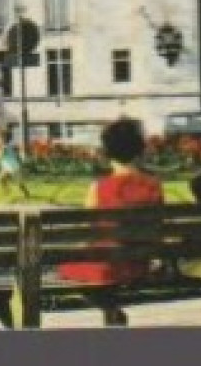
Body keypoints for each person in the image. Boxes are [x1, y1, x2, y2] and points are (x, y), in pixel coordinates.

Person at [58, 117, 163, 323]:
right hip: (139, 263)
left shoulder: (99, 188)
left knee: (69, 269)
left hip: (108, 265)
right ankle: (112, 312)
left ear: (107, 154)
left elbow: (90, 229)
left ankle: (111, 308)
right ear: (140, 150)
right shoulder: (154, 185)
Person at [0, 131, 30, 200]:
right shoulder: (10, 145)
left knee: (18, 183)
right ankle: (7, 190)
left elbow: (0, 156)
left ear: (4, 139)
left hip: (12, 167)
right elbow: (17, 155)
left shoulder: (5, 147)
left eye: (0, 138)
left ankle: (26, 193)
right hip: (9, 166)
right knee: (1, 178)